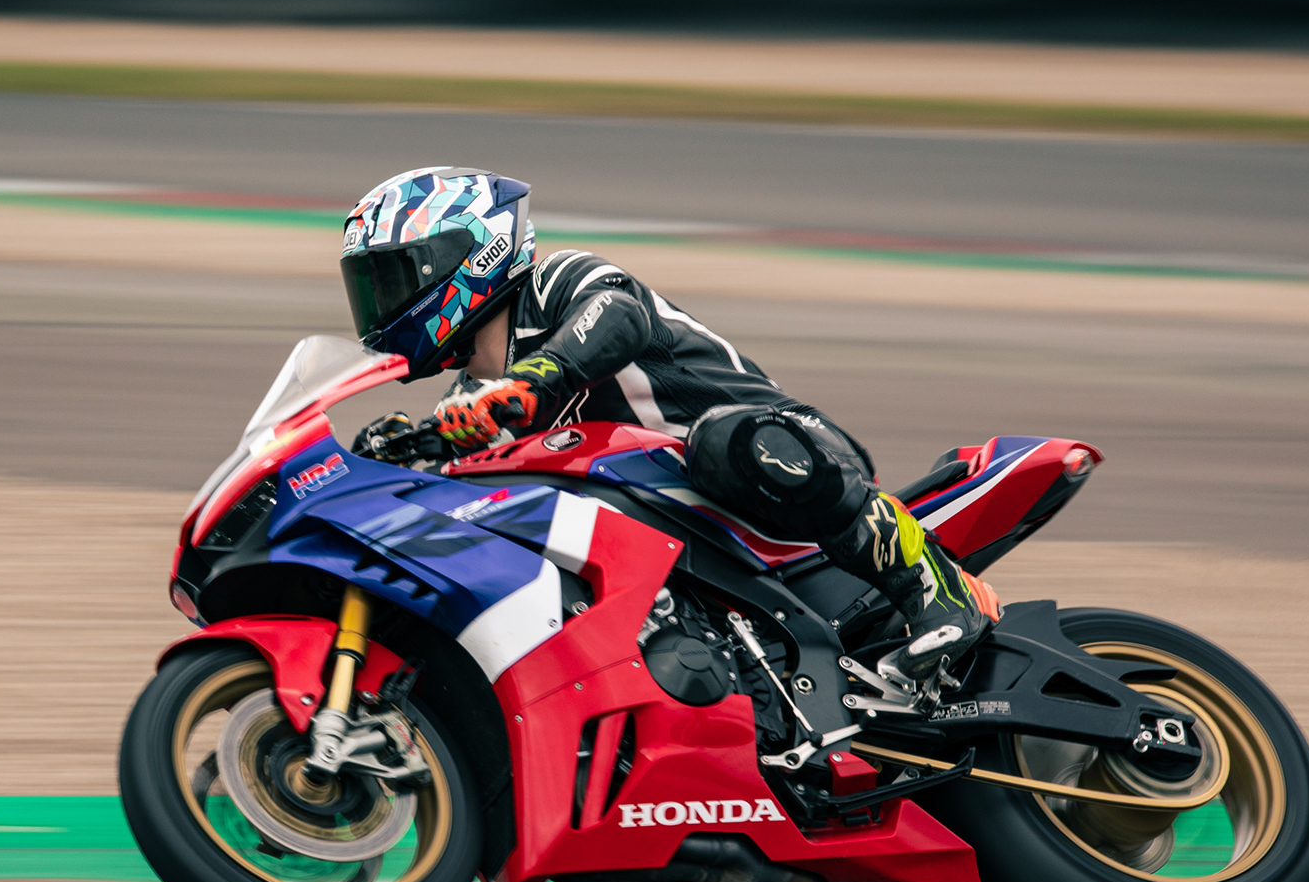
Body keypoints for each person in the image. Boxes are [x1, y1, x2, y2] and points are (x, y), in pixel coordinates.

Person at [339, 166, 984, 681]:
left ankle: (937, 588)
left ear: (469, 257)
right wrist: (398, 454)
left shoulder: (559, 282)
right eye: (369, 287)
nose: (379, 305)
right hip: (692, 536)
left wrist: (532, 383)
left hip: (786, 455)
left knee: (721, 442)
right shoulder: (473, 400)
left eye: (392, 279)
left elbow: (619, 317)